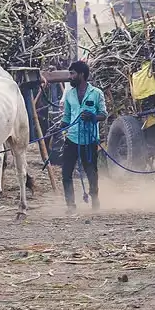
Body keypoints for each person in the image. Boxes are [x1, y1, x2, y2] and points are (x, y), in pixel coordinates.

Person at [60, 60, 108, 214]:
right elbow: (66, 117)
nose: (70, 77)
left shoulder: (96, 93)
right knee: (66, 173)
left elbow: (103, 115)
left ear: (81, 75)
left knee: (91, 172)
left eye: (72, 74)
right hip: (72, 138)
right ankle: (70, 206)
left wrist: (93, 116)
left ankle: (95, 200)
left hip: (89, 139)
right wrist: (61, 127)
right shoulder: (69, 94)